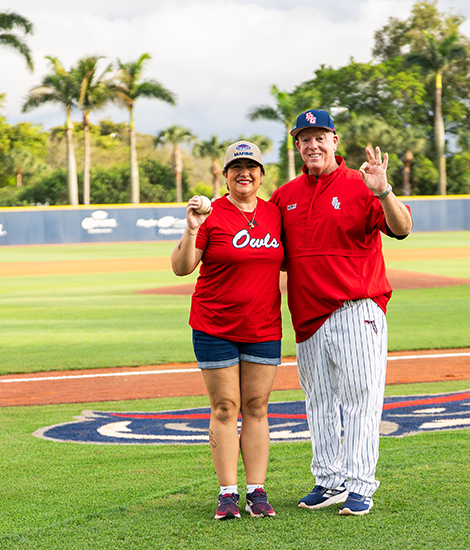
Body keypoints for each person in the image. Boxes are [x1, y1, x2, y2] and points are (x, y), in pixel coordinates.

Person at [270, 110, 413, 516]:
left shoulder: (361, 183)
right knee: (318, 402)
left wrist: (384, 191)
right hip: (307, 314)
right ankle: (329, 480)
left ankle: (361, 485)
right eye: (304, 139)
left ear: (335, 140)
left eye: (320, 137)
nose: (312, 145)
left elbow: (402, 229)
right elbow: (274, 253)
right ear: (297, 146)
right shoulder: (286, 195)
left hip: (356, 309)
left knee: (360, 400)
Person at [171, 140, 283, 520]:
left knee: (256, 407)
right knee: (224, 407)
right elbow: (182, 267)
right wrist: (191, 228)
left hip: (263, 324)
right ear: (225, 174)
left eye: (251, 167)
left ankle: (257, 490)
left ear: (262, 175)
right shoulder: (211, 213)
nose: (244, 173)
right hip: (214, 325)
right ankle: (227, 493)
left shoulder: (275, 214)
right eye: (236, 167)